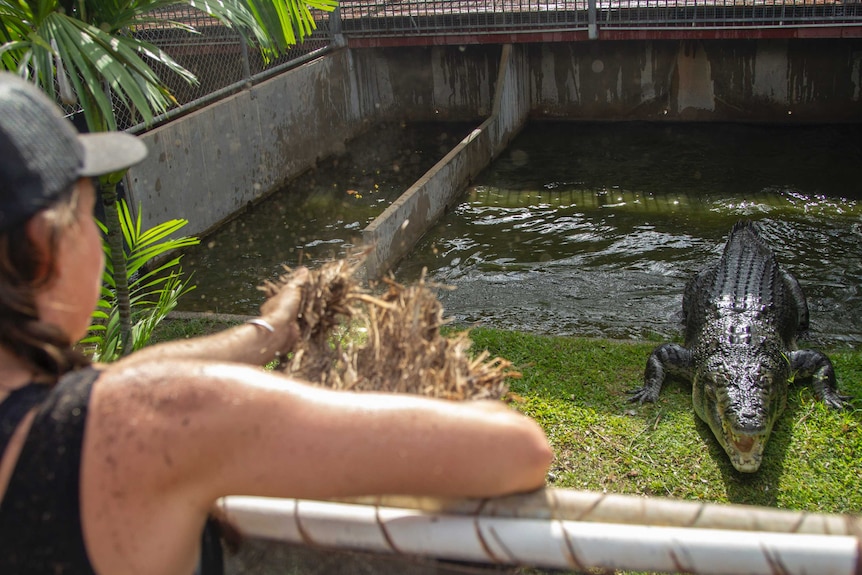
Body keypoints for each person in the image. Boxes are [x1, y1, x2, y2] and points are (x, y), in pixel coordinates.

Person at [0, 71, 553, 575]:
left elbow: (116, 384)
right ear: (43, 248)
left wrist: (272, 331)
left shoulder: (67, 407)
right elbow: (518, 451)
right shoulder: (150, 421)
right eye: (89, 211)